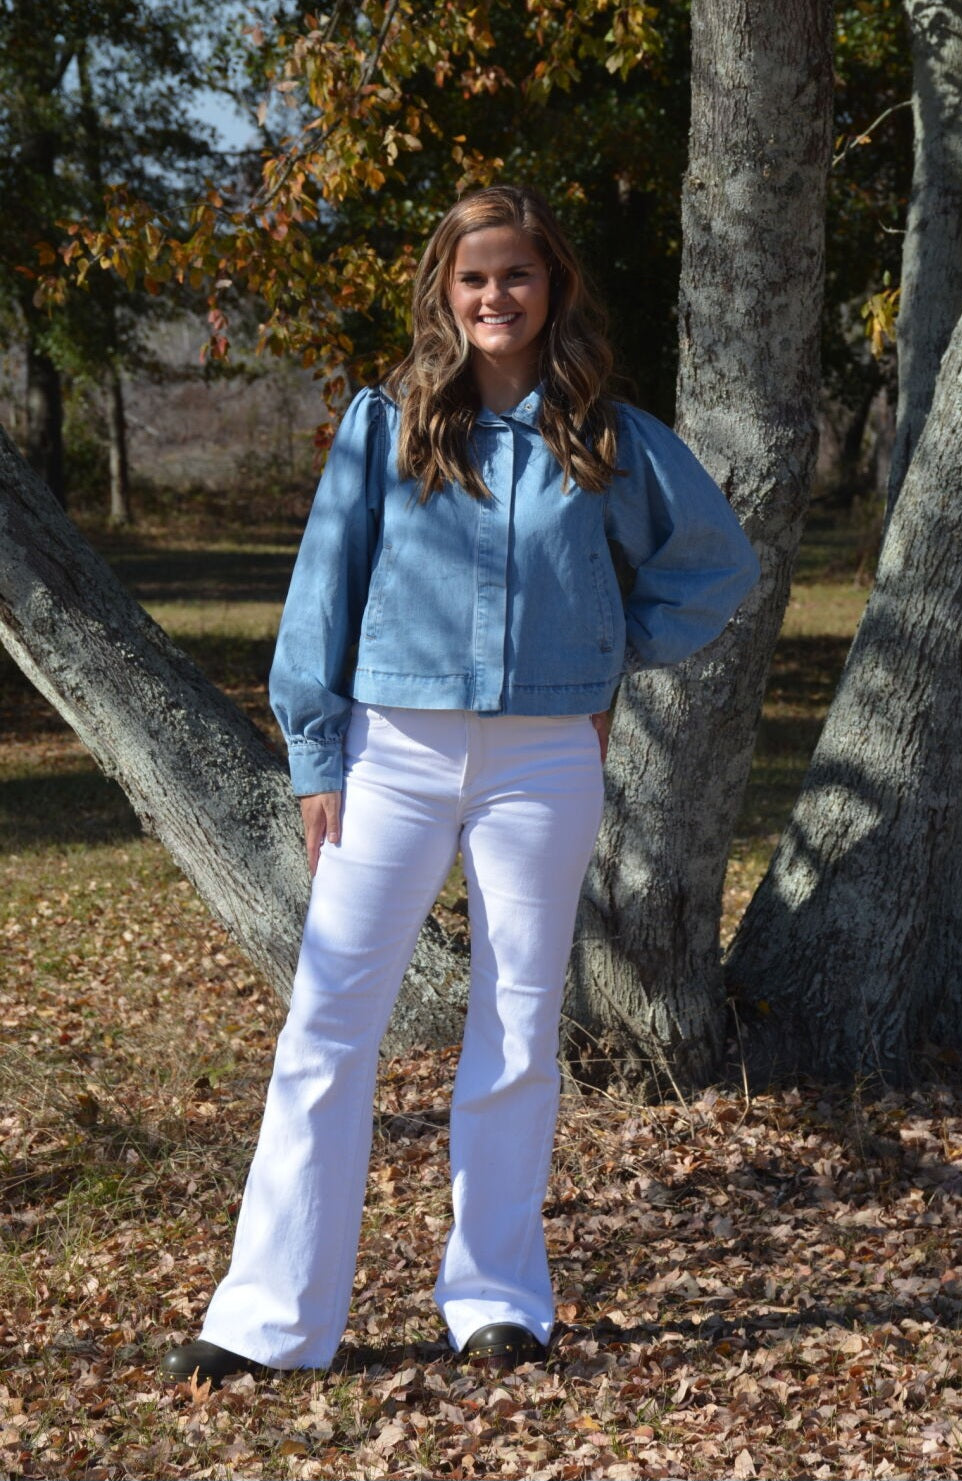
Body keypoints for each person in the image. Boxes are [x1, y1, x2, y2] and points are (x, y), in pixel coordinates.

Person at [160, 184, 759, 1386]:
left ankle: (495, 1296)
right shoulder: (386, 422)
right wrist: (319, 753)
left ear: (554, 290)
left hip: (544, 760)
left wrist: (602, 651)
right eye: (474, 276)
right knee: (329, 1018)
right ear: (446, 288)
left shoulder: (606, 433)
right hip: (395, 751)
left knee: (518, 1023)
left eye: (519, 276)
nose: (497, 296)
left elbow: (713, 562)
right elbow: (319, 597)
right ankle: (269, 1314)